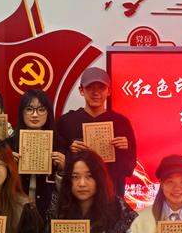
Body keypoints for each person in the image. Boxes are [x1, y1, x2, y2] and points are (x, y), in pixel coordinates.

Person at [55, 67, 136, 197]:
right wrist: (70, 153)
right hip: (76, 196)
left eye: (101, 88)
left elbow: (128, 170)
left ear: (109, 91)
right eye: (90, 87)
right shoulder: (66, 122)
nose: (96, 93)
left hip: (110, 195)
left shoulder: (121, 123)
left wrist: (125, 149)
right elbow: (57, 165)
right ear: (81, 90)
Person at [6, 89, 65, 217]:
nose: (35, 115)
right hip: (17, 211)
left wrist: (63, 169)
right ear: (21, 112)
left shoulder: (59, 145)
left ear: (48, 113)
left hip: (48, 212)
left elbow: (67, 191)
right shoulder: (8, 146)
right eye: (29, 109)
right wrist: (6, 165)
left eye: (41, 110)